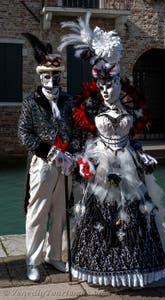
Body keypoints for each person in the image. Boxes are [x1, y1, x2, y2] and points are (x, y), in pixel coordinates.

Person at [58, 13, 165, 287]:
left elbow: (134, 138)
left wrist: (142, 153)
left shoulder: (131, 109)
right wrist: (81, 159)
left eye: (111, 85)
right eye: (102, 86)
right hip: (101, 164)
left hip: (128, 164)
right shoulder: (90, 108)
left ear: (120, 84)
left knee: (135, 216)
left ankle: (137, 267)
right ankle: (99, 265)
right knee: (99, 216)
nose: (106, 91)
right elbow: (81, 136)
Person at [18, 33, 79, 282]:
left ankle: (54, 256)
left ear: (60, 76)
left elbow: (78, 130)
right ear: (40, 75)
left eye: (55, 75)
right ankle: (33, 260)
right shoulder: (31, 102)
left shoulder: (69, 100)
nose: (51, 79)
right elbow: (23, 133)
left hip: (65, 165)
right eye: (47, 75)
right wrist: (48, 152)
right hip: (43, 164)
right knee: (37, 212)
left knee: (60, 213)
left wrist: (71, 153)